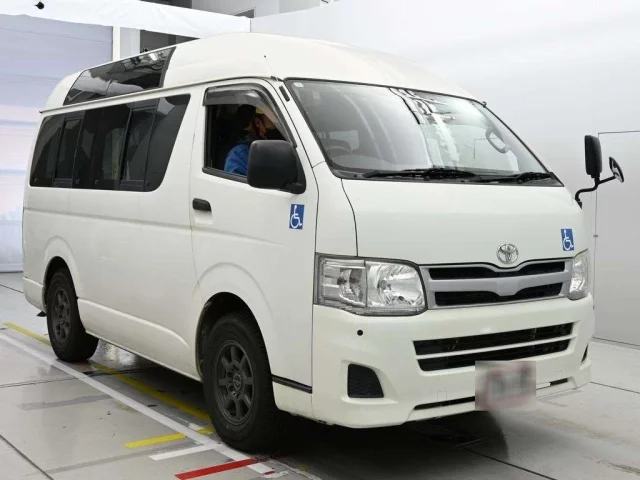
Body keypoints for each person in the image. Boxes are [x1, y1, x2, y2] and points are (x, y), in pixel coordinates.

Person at [224, 105, 283, 176]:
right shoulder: (241, 154)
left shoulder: (282, 145)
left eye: (280, 123)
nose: (278, 127)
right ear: (257, 122)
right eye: (273, 123)